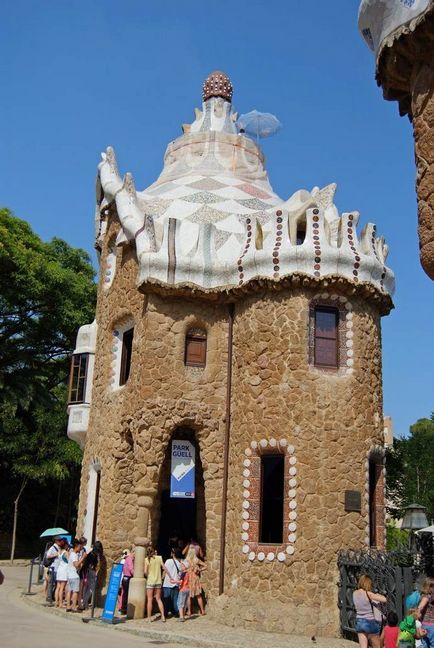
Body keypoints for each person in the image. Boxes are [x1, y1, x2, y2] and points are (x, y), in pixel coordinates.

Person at [353, 574, 387, 648]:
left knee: (363, 646)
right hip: (370, 621)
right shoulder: (368, 594)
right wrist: (378, 595)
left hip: (359, 621)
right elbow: (384, 599)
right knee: (377, 645)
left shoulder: (354, 593)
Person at [81, 541, 104, 610]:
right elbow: (91, 565)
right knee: (91, 588)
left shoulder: (90, 553)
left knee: (87, 588)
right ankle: (85, 602)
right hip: (91, 572)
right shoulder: (93, 555)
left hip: (87, 572)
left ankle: (84, 603)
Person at [144, 546, 165, 623]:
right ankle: (163, 616)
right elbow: (164, 567)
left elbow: (145, 572)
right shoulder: (159, 558)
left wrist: (148, 576)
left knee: (149, 600)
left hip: (150, 581)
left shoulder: (146, 560)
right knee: (159, 599)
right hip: (158, 581)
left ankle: (149, 618)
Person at [162, 547, 184, 618]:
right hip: (176, 584)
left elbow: (164, 571)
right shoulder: (179, 563)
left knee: (166, 599)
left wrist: (162, 579)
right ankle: (177, 612)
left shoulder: (168, 561)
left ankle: (165, 613)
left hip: (167, 583)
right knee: (175, 600)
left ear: (173, 554)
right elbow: (180, 574)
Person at [66, 538, 86, 612]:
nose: (80, 549)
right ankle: (74, 607)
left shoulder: (72, 554)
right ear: (76, 546)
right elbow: (76, 565)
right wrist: (83, 557)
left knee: (69, 591)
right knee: (75, 591)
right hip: (74, 575)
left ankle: (68, 606)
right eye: (80, 547)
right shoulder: (74, 554)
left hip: (70, 575)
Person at [185, 546, 206, 616]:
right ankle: (202, 610)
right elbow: (206, 565)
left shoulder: (186, 560)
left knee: (189, 596)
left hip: (189, 578)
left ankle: (189, 611)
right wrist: (200, 570)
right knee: (198, 595)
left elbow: (183, 569)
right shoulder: (197, 560)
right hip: (196, 578)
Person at [418, 578, 434, 647]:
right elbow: (420, 607)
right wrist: (418, 612)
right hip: (431, 625)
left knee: (425, 644)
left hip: (424, 624)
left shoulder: (422, 595)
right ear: (430, 587)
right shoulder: (428, 596)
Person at [54, 540, 70, 608]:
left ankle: (56, 602)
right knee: (62, 588)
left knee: (58, 587)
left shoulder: (58, 552)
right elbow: (69, 561)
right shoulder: (66, 552)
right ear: (65, 545)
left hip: (59, 570)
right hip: (64, 570)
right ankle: (60, 603)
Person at [119, 547, 134, 615]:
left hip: (124, 578)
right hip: (127, 577)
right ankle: (124, 609)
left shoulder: (126, 559)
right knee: (126, 594)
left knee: (124, 594)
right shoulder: (130, 559)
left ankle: (122, 608)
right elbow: (131, 569)